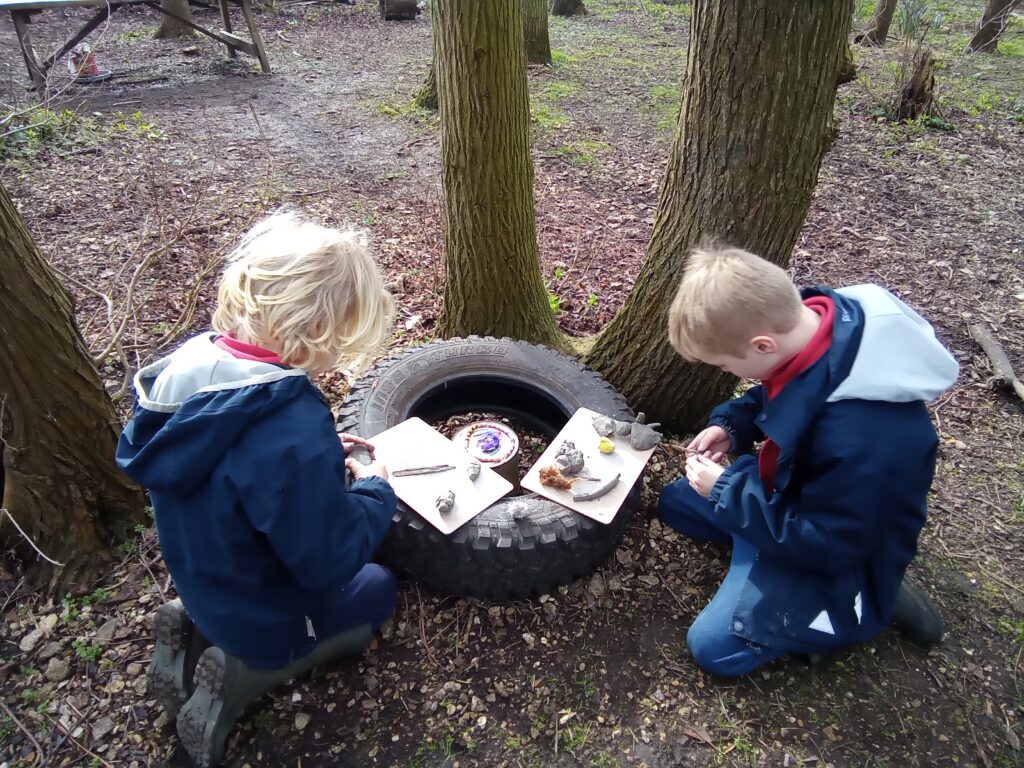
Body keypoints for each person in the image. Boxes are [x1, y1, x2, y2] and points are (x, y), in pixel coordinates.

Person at [116, 209, 396, 765]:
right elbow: (328, 559)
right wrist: (376, 492)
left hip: (201, 574)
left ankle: (195, 625)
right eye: (340, 338)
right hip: (261, 610)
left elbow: (232, 467)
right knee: (377, 586)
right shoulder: (293, 431)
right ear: (317, 330)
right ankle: (252, 666)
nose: (337, 353)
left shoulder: (186, 371)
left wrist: (314, 463)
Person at [660, 244, 958, 677]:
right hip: (793, 501)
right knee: (677, 503)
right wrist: (735, 425)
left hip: (836, 548)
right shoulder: (812, 329)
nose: (727, 374)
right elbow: (786, 391)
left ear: (762, 344)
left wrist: (726, 490)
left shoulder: (866, 438)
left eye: (726, 365)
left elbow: (829, 540)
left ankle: (867, 600)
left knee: (713, 649)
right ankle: (757, 548)